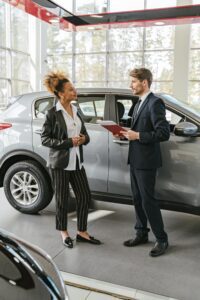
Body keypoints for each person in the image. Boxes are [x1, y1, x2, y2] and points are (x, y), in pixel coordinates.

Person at [41, 70, 101, 248]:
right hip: (60, 163)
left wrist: (84, 139)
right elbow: (45, 139)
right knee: (62, 199)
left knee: (84, 196)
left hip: (77, 161)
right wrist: (68, 142)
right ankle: (64, 232)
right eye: (70, 89)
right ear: (60, 94)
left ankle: (82, 232)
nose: (75, 92)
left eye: (74, 89)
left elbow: (85, 135)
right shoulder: (52, 113)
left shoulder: (76, 110)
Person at [121, 68, 170, 257]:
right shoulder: (139, 102)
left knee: (148, 201)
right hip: (135, 158)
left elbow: (163, 133)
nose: (130, 85)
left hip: (147, 161)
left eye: (133, 81)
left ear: (144, 82)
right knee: (137, 198)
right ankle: (141, 232)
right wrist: (126, 135)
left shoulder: (155, 102)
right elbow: (137, 129)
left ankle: (162, 239)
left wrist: (138, 135)